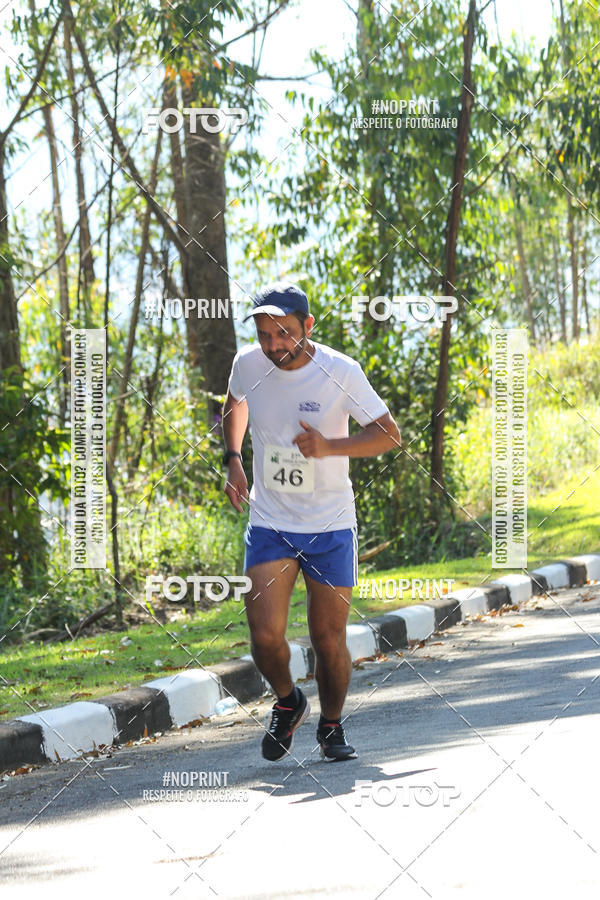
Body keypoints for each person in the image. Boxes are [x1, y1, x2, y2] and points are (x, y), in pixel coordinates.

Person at [221, 282, 401, 761]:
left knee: (327, 637)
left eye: (284, 333)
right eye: (265, 334)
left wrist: (330, 447)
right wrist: (233, 458)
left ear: (308, 327)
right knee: (264, 636)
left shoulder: (340, 371)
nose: (274, 345)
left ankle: (332, 726)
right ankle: (288, 701)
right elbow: (234, 401)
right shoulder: (248, 363)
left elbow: (388, 434)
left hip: (330, 523)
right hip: (271, 520)